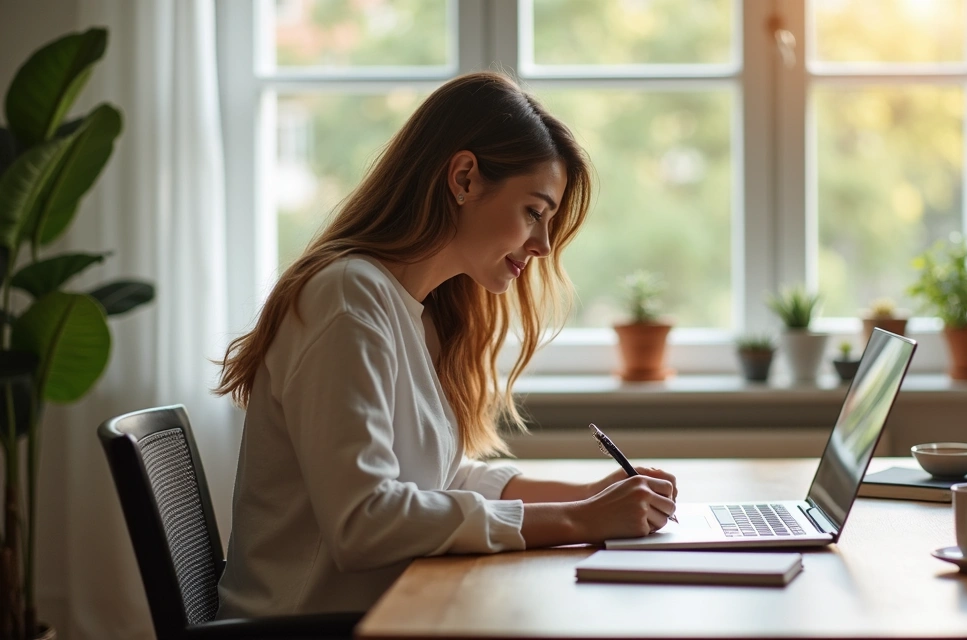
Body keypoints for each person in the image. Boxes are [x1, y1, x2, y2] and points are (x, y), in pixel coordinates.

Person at [213, 72, 678, 618]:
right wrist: (578, 521)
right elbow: (364, 522)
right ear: (463, 178)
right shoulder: (347, 298)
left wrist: (586, 496)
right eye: (534, 211)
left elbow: (441, 479)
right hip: (310, 626)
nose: (544, 245)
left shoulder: (417, 312)